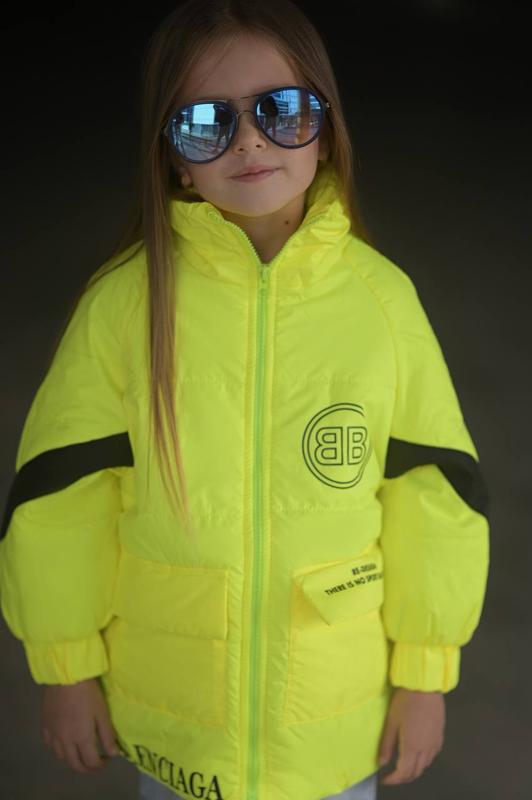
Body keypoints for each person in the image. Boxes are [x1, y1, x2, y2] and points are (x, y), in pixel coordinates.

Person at [0, 1, 490, 799]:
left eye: (280, 110)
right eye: (206, 123)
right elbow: (61, 500)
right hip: (178, 720)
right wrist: (66, 666)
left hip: (336, 722)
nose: (251, 141)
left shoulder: (383, 302)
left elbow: (435, 500)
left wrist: (426, 675)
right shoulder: (123, 306)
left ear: (324, 130)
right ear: (173, 159)